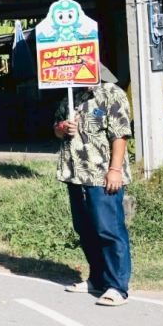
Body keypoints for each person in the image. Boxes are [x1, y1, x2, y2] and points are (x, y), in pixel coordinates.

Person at [54, 66, 133, 306]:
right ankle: (97, 279)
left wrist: (115, 170)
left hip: (102, 175)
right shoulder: (72, 94)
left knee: (108, 229)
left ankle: (117, 286)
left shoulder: (111, 93)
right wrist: (62, 129)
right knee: (85, 229)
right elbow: (57, 129)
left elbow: (120, 134)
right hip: (76, 174)